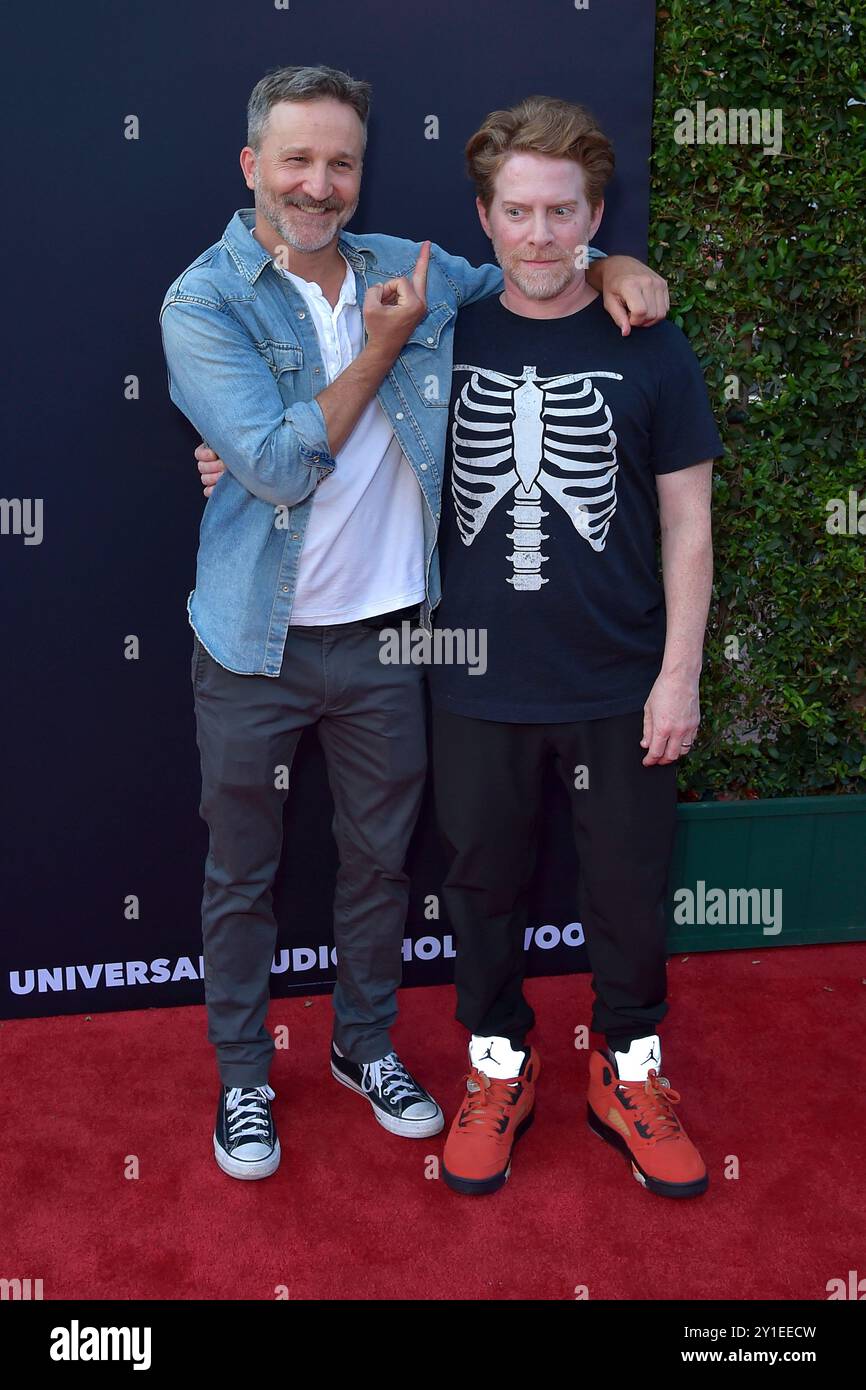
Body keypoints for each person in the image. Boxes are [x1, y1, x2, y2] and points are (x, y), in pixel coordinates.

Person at [171, 64, 669, 1181]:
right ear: (252, 166)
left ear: (362, 171)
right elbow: (276, 466)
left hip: (398, 637)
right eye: (294, 159)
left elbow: (540, 261)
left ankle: (363, 1047)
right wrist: (383, 350)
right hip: (255, 640)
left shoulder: (413, 269)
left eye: (338, 161)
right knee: (241, 874)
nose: (317, 182)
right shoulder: (202, 301)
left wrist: (620, 261)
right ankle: (244, 1079)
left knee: (379, 867)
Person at [428, 96, 723, 1199]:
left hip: (615, 676)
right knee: (480, 883)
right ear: (483, 216)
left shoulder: (650, 345)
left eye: (561, 213)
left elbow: (688, 518)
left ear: (593, 215)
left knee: (628, 889)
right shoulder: (437, 334)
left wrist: (677, 674)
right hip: (472, 677)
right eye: (517, 212)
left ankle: (628, 1068)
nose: (539, 235)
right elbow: (337, 420)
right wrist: (237, 460)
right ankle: (498, 1062)